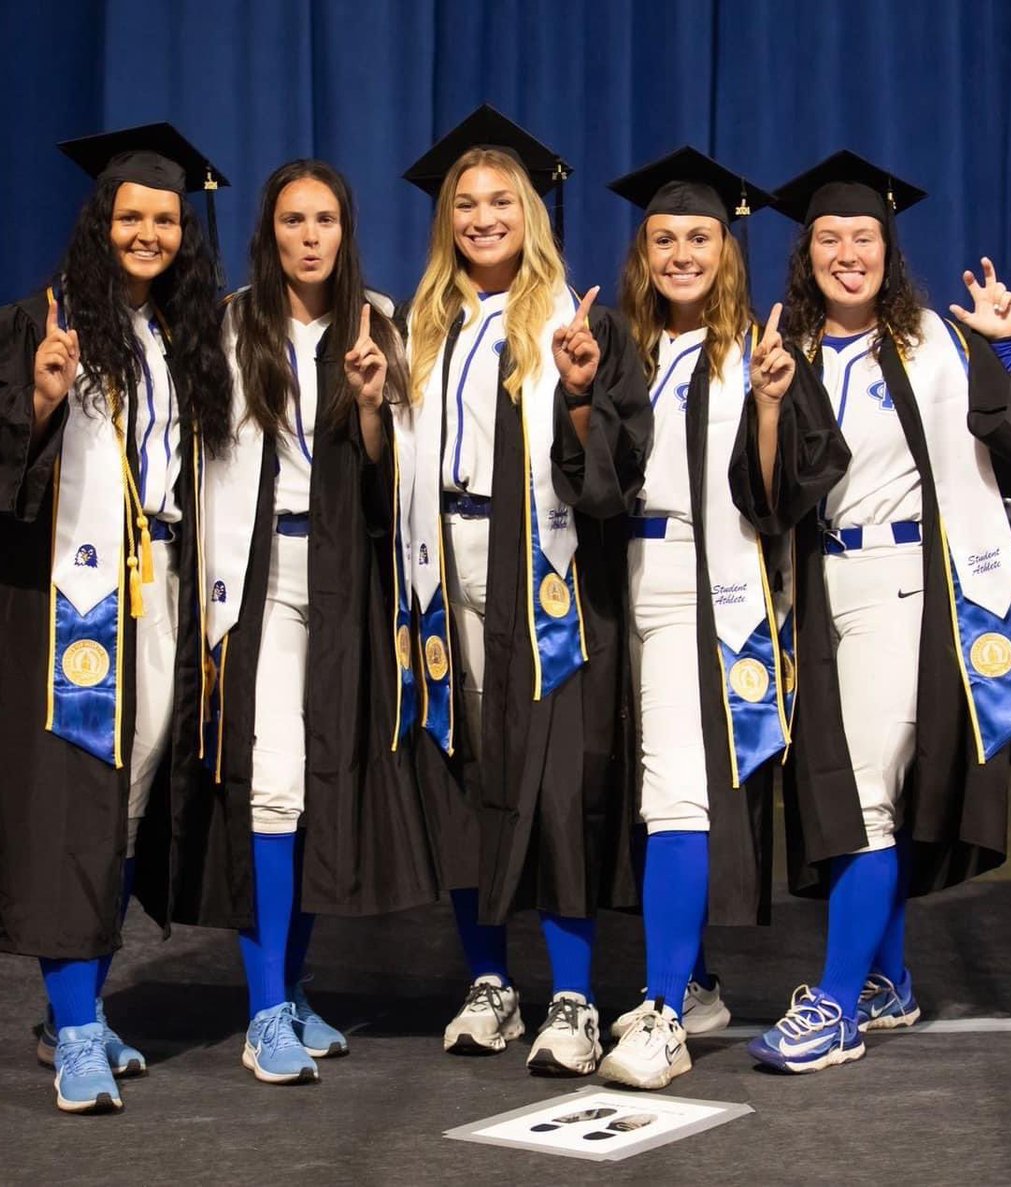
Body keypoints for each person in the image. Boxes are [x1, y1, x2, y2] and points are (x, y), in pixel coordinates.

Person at [0, 124, 233, 1112]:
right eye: (131, 216)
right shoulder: (34, 326)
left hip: (161, 600)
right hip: (63, 609)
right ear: (99, 222)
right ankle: (79, 1025)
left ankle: (77, 1010)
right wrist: (41, 398)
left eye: (165, 220)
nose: (148, 234)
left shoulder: (185, 338)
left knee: (130, 794)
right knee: (65, 798)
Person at [743, 150, 1011, 1073]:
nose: (849, 254)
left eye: (865, 239)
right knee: (851, 792)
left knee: (865, 798)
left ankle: (837, 1007)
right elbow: (769, 498)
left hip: (903, 591)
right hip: (818, 595)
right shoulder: (788, 352)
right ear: (806, 254)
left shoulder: (933, 342)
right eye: (830, 239)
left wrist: (1004, 345)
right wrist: (767, 404)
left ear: (889, 250)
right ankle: (888, 980)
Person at [394, 106, 651, 1076]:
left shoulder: (572, 324)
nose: (483, 216)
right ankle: (490, 980)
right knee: (466, 775)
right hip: (442, 568)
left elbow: (611, 469)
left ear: (532, 215)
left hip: (541, 575)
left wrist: (582, 390)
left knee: (555, 785)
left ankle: (577, 995)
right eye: (467, 203)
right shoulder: (426, 321)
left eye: (503, 201)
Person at [180, 159, 435, 1085]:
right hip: (258, 581)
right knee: (274, 784)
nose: (310, 236)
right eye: (293, 220)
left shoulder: (379, 322)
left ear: (345, 228)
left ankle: (291, 989)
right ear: (271, 230)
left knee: (321, 783)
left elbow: (386, 477)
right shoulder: (232, 321)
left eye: (326, 218)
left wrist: (372, 404)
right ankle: (263, 1012)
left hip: (342, 579)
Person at [596, 146, 845, 1090]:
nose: (682, 252)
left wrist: (774, 405)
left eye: (700, 236)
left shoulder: (758, 351)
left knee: (679, 792)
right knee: (659, 787)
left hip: (717, 584)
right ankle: (692, 983)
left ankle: (662, 1010)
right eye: (665, 238)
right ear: (644, 251)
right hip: (631, 581)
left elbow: (783, 492)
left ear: (727, 249)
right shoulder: (629, 342)